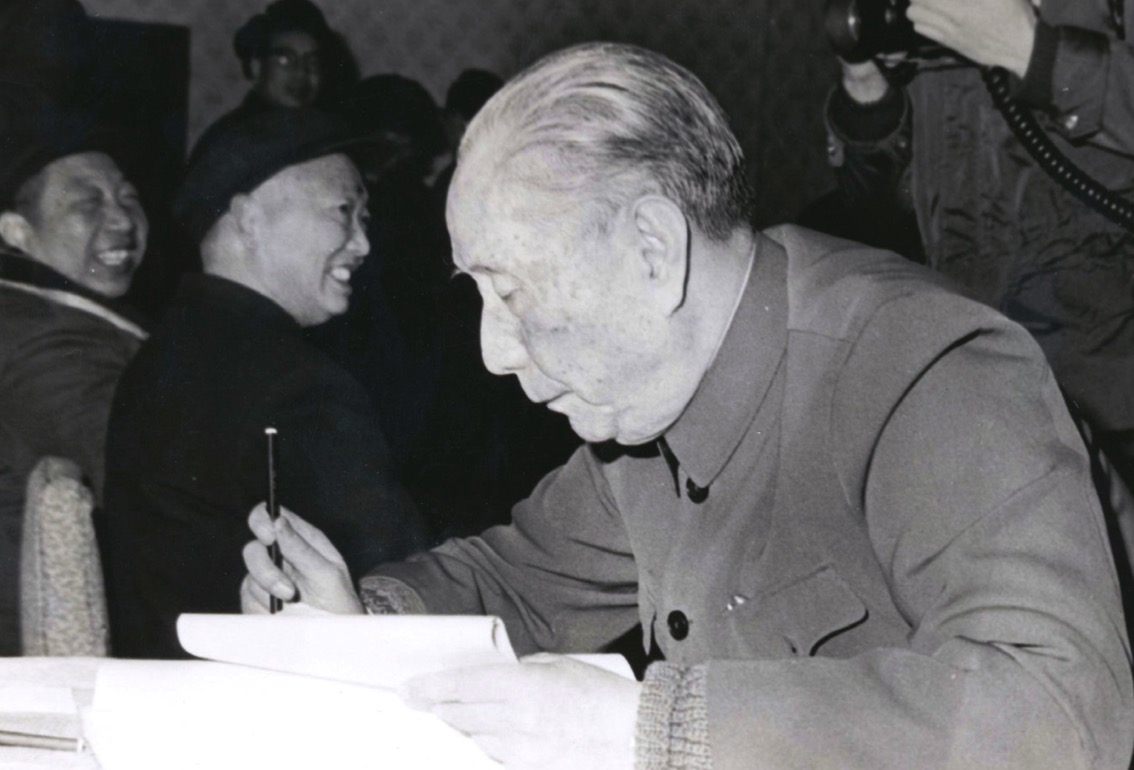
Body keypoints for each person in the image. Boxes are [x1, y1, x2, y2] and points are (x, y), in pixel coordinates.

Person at [242, 43, 1133, 769]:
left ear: (653, 249)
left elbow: (1061, 712)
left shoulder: (920, 368)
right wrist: (360, 624)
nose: (492, 350)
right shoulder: (650, 407)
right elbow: (519, 578)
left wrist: (650, 727)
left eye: (509, 292)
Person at [102, 108, 428, 659]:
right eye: (343, 211)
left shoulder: (161, 353)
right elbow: (403, 579)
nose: (363, 244)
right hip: (254, 690)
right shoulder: (300, 384)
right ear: (249, 219)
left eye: (365, 218)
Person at [822, 0, 1134, 491]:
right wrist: (866, 89)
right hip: (963, 382)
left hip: (1108, 395)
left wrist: (1033, 52)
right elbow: (879, 214)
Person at [0, 95, 149, 655]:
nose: (122, 220)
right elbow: (147, 485)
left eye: (128, 197)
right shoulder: (41, 338)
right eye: (88, 203)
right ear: (17, 232)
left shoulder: (57, 315)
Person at [189, 0, 349, 162]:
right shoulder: (230, 138)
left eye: (312, 63)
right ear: (257, 67)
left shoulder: (325, 132)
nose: (301, 72)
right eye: (285, 60)